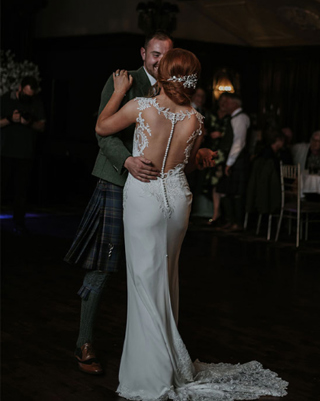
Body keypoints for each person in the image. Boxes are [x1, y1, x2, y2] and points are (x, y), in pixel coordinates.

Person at [96, 49, 287, 400]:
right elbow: (186, 165)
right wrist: (201, 156)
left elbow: (101, 127)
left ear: (165, 75)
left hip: (145, 198)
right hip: (177, 201)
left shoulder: (141, 106)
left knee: (144, 285)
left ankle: (150, 376)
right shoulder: (197, 119)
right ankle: (169, 363)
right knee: (166, 282)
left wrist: (119, 90)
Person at [64, 31, 174, 375]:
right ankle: (84, 341)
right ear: (143, 53)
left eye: (165, 56)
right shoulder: (123, 82)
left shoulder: (172, 91)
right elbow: (102, 132)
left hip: (154, 190)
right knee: (102, 265)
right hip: (116, 182)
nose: (159, 61)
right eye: (155, 54)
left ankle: (148, 349)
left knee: (151, 268)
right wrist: (126, 161)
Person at [0, 75, 46, 235]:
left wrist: (30, 123)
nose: (28, 97)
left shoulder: (36, 102)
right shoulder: (6, 99)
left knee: (21, 193)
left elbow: (42, 125)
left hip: (26, 154)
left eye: (30, 95)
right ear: (20, 88)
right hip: (5, 152)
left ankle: (19, 224)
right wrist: (10, 119)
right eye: (26, 94)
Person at [203, 92, 234, 227]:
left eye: (226, 101)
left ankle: (225, 215)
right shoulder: (211, 114)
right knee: (213, 182)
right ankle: (216, 213)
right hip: (212, 151)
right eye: (221, 100)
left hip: (225, 153)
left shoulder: (232, 117)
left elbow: (234, 136)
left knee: (223, 183)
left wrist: (221, 134)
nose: (223, 103)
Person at [221, 94, 250, 231]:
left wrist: (230, 162)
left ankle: (237, 223)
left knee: (237, 192)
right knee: (227, 191)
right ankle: (230, 220)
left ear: (235, 104)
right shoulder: (232, 118)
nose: (224, 105)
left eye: (227, 103)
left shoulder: (241, 118)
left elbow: (239, 142)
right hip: (231, 160)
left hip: (238, 161)